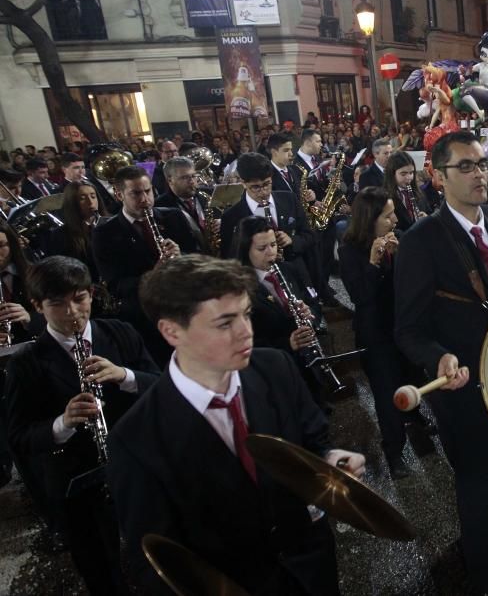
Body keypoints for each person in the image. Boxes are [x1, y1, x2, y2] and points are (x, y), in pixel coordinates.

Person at [108, 255, 364, 594]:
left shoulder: (276, 368)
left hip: (311, 568)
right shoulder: (136, 438)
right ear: (171, 330)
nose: (247, 332)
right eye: (225, 323)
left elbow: (312, 438)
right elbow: (154, 562)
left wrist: (329, 460)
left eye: (246, 314)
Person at [394, 131, 488, 594]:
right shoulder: (421, 240)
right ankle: (482, 572)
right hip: (461, 381)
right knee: (475, 476)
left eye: (482, 164)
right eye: (465, 167)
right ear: (437, 176)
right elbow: (407, 329)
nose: (478, 174)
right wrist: (438, 358)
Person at [5, 256, 159, 595]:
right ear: (37, 306)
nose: (73, 312)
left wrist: (126, 376)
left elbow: (163, 389)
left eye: (79, 299)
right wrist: (63, 422)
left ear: (90, 294)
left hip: (139, 470)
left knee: (156, 559)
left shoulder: (121, 332)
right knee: (102, 571)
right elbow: (18, 436)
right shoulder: (26, 364)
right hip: (78, 486)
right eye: (58, 304)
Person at [340, 187, 434, 479]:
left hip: (403, 326)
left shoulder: (400, 239)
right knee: (385, 392)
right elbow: (360, 295)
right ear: (369, 219)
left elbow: (413, 283)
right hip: (376, 333)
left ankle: (415, 416)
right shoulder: (350, 249)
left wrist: (400, 259)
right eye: (387, 215)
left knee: (413, 376)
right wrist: (373, 263)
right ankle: (394, 452)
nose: (395, 220)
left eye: (394, 213)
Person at [92, 165, 202, 365]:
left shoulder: (173, 216)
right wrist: (154, 274)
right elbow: (116, 285)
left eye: (148, 191)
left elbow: (198, 259)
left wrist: (180, 255)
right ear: (119, 194)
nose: (145, 199)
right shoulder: (105, 234)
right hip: (144, 319)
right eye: (135, 193)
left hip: (183, 307)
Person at [233, 216, 335, 411]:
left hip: (307, 365)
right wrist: (288, 344)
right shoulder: (239, 288)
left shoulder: (289, 270)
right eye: (262, 249)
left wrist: (310, 315)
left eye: (273, 245)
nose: (270, 253)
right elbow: (248, 342)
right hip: (275, 374)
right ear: (246, 250)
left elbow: (314, 303)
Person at [219, 153, 317, 263]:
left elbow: (309, 236)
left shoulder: (289, 199)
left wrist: (292, 241)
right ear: (243, 183)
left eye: (267, 184)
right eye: (255, 187)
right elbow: (229, 257)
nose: (263, 191)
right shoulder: (231, 216)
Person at [382, 151, 428, 232]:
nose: (408, 177)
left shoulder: (419, 192)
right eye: (403, 174)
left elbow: (429, 211)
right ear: (392, 174)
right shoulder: (384, 196)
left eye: (411, 173)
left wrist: (426, 218)